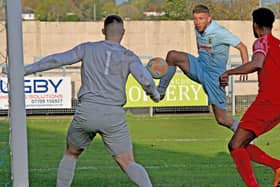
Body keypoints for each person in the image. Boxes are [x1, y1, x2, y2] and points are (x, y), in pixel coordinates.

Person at [20, 15, 159, 187]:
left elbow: (57, 60)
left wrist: (25, 70)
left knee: (71, 153)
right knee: (127, 161)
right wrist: (155, 94)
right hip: (113, 114)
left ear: (103, 31)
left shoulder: (87, 48)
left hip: (87, 111)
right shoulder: (129, 56)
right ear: (123, 33)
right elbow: (145, 79)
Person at [158, 4, 249, 131]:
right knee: (172, 56)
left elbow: (242, 46)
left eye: (201, 18)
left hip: (215, 77)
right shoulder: (197, 28)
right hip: (199, 66)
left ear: (209, 19)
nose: (197, 22)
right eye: (195, 19)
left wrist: (245, 65)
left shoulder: (219, 32)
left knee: (222, 119)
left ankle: (246, 134)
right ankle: (160, 91)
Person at [219, 8, 280, 187]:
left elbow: (257, 63)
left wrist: (230, 72)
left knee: (235, 145)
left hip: (268, 102)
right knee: (241, 144)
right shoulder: (278, 44)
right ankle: (277, 167)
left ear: (255, 25)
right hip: (277, 105)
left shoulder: (262, 42)